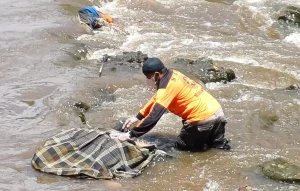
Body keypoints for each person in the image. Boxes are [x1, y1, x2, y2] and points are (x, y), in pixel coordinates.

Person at [119, 57, 231, 151]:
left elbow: (154, 117)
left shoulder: (166, 88)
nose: (149, 81)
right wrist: (138, 116)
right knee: (218, 147)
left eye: (149, 77)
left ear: (157, 75)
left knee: (183, 150)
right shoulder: (174, 73)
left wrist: (131, 134)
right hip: (218, 112)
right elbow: (156, 99)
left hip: (202, 119)